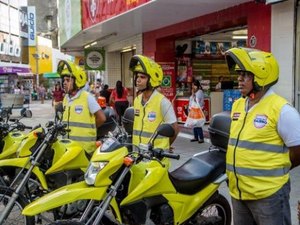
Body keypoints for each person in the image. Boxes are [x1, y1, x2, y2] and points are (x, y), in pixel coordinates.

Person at [225, 47, 300, 225]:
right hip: (238, 193)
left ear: (261, 76)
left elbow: (298, 151)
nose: (239, 79)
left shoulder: (281, 110)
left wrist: (276, 168)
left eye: (245, 75)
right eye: (239, 74)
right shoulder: (238, 105)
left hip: (269, 196)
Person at [129, 55, 179, 152]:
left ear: (152, 80)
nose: (138, 80)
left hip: (155, 160)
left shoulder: (162, 102)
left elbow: (175, 129)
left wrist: (165, 147)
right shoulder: (137, 100)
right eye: (137, 76)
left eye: (142, 77)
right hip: (137, 156)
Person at [57, 60, 106, 154]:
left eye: (68, 80)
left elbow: (102, 118)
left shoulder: (87, 97)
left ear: (77, 82)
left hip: (84, 149)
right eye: (64, 80)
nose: (64, 83)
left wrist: (90, 127)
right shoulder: (66, 98)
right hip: (67, 148)